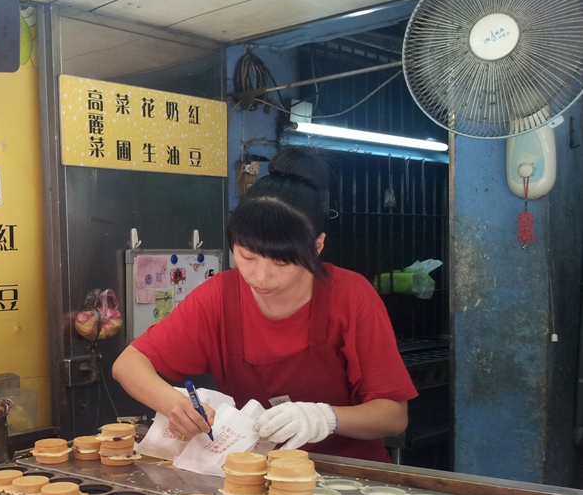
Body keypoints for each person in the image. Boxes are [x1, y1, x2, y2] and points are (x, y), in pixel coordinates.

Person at [113, 147, 417, 461]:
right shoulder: (219, 296)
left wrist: (326, 418)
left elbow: (393, 415)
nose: (260, 277)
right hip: (254, 470)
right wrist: (174, 404)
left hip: (347, 474)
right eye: (247, 256)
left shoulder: (351, 296)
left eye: (282, 262)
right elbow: (128, 364)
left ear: (317, 246)